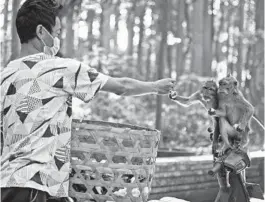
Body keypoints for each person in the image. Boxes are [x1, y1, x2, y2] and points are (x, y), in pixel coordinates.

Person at [0, 1, 175, 202]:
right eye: (56, 34)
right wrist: (154, 87)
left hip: (8, 184)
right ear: (41, 32)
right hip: (38, 187)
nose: (57, 39)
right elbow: (121, 86)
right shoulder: (58, 68)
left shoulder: (5, 75)